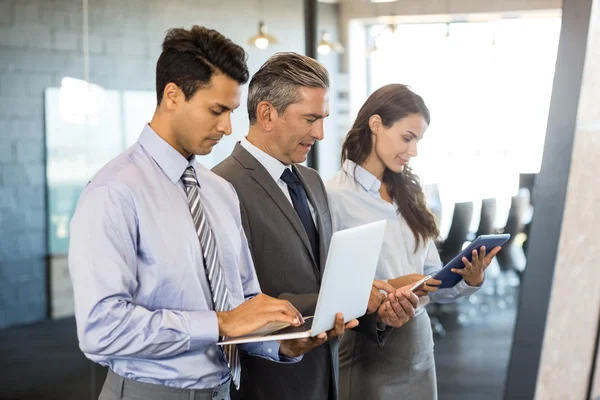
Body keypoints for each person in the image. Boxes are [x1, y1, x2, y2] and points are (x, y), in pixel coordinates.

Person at [69, 26, 346, 400]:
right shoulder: (114, 191)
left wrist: (277, 344)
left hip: (221, 392)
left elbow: (244, 306)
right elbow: (100, 328)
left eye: (231, 111)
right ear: (172, 96)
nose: (227, 127)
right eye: (216, 110)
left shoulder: (218, 192)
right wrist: (220, 324)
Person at [212, 53, 419, 400]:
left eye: (322, 119)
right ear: (267, 114)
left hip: (325, 377)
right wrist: (345, 297)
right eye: (310, 119)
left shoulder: (310, 181)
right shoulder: (221, 187)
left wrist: (375, 310)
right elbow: (235, 306)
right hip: (268, 385)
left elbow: (325, 278)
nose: (320, 133)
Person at [326, 84, 502, 400]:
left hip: (420, 342)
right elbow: (331, 290)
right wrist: (396, 286)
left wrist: (469, 279)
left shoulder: (407, 195)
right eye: (408, 138)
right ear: (376, 125)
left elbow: (433, 278)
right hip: (370, 350)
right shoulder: (334, 197)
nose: (414, 151)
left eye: (417, 141)